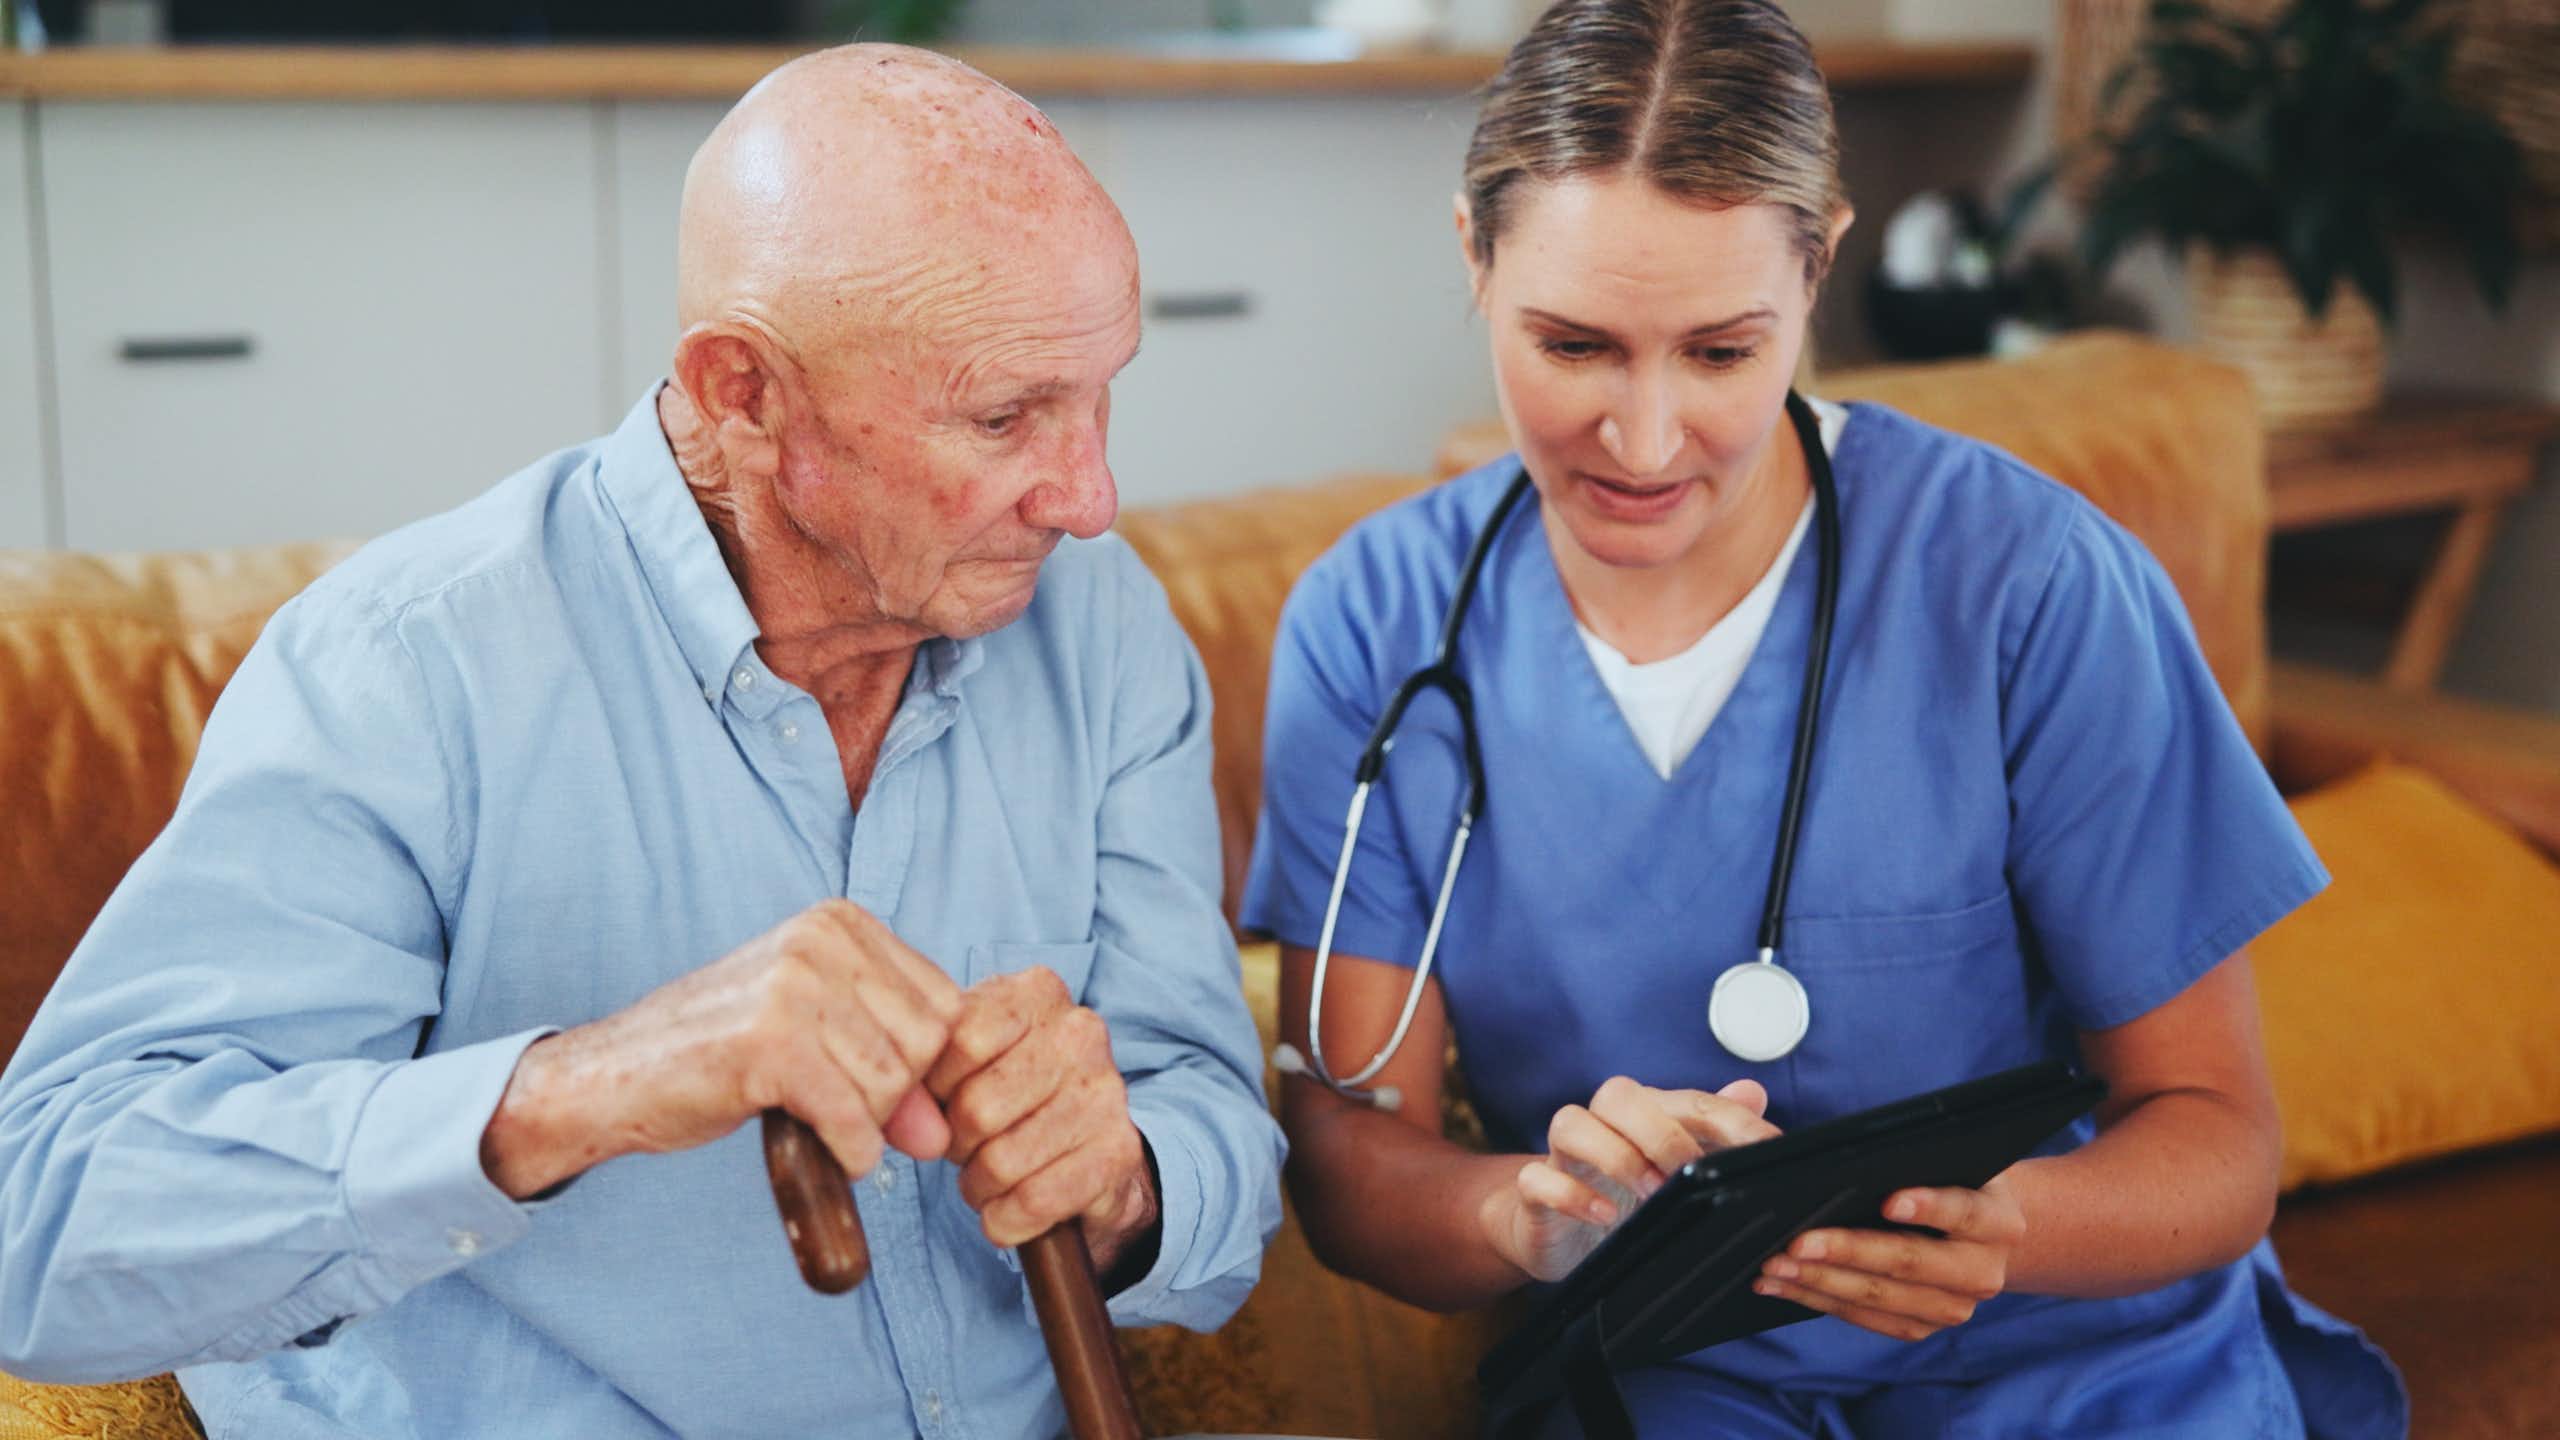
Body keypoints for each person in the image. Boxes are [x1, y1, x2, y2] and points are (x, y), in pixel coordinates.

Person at [0, 46, 1282, 1438]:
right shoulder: (409, 668)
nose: (1091, 496)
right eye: (1004, 414)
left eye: (1103, 393)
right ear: (742, 392)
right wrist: (593, 1085)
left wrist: (1126, 1179)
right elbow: (52, 1227)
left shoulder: (1099, 627)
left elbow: (1214, 1136)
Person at [1241, 1, 2403, 1435]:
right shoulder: (1375, 625)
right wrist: (1524, 1219)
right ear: (1474, 259)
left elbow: (2221, 1142)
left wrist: (2008, 1231)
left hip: (2090, 1372)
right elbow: (1352, 1153)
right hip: (1679, 1379)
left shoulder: (2027, 588)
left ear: (1821, 262)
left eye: (1723, 353)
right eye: (1575, 345)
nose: (1646, 441)